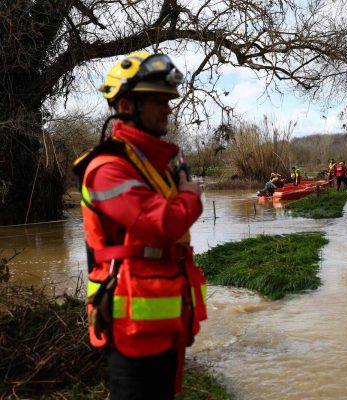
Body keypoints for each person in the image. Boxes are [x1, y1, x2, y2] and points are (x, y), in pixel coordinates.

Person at [72, 52, 207, 399]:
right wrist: (190, 195)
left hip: (164, 324)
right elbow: (161, 224)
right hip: (131, 329)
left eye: (169, 99)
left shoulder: (152, 167)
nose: (169, 109)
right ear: (129, 104)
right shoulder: (107, 168)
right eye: (160, 100)